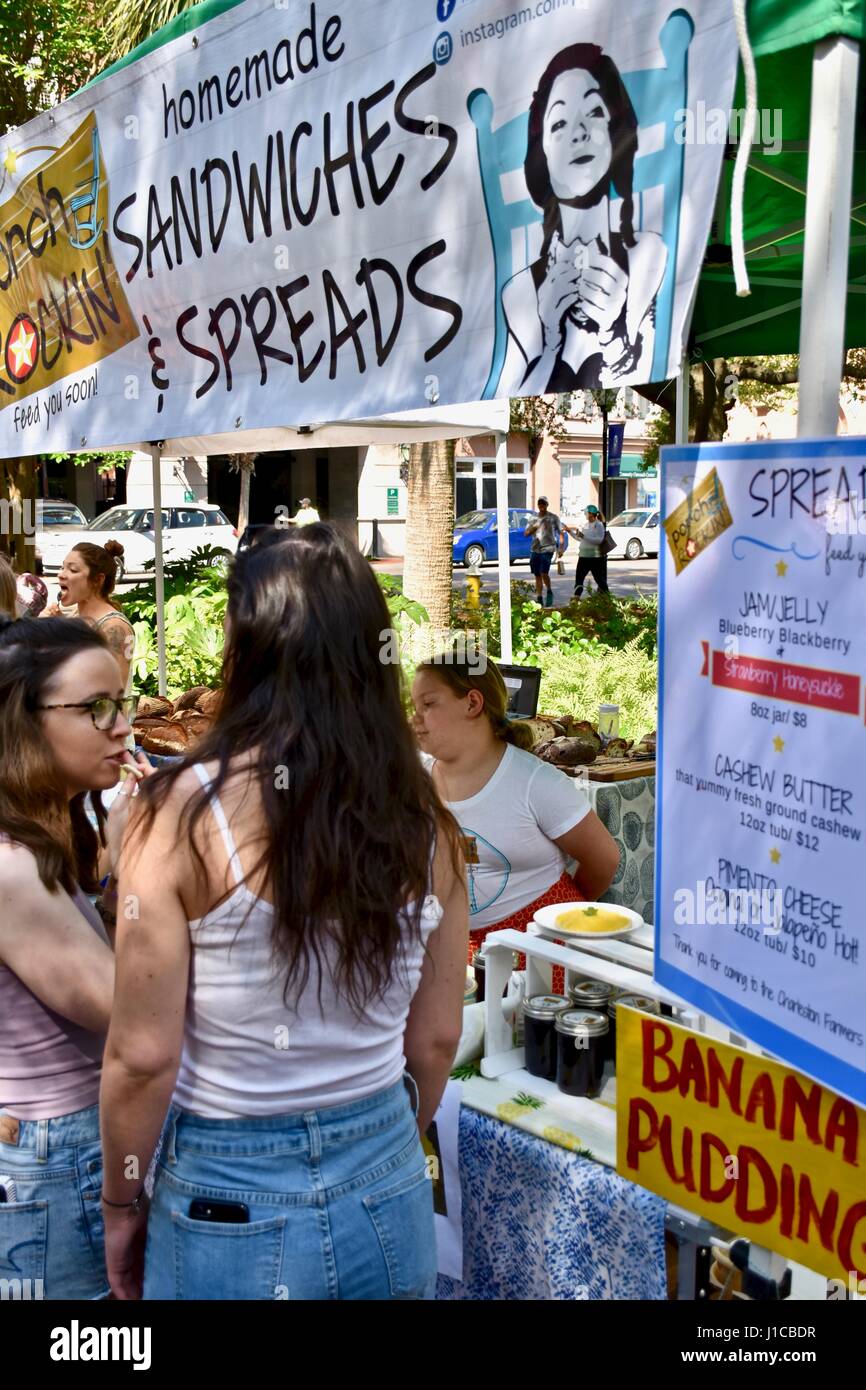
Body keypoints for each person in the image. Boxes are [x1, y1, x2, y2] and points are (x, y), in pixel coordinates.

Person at [99, 523, 468, 1301]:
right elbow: (435, 1038)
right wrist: (379, 1136)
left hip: (225, 1197)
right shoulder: (424, 822)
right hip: (389, 1183)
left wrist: (121, 1205)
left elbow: (142, 1058)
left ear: (246, 651)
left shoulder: (176, 816)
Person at [0, 617, 150, 1299]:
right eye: (96, 709)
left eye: (123, 701)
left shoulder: (50, 826)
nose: (123, 725)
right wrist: (141, 867)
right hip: (53, 1159)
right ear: (21, 722)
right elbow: (132, 1008)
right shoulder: (12, 866)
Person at [411, 653, 620, 966]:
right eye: (415, 708)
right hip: (452, 951)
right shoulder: (415, 779)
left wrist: (556, 914)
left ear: (472, 703)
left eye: (428, 705)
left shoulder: (534, 781)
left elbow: (604, 858)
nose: (416, 719)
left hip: (537, 948)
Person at [498, 44, 667, 394]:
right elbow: (507, 399)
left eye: (593, 112)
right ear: (540, 151)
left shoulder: (650, 255)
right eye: (559, 123)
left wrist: (614, 334)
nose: (578, 132)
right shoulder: (519, 293)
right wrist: (549, 340)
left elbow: (654, 366)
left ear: (614, 130)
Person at [43, 541, 135, 691]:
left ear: (98, 580)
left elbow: (114, 693)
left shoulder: (115, 627)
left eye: (72, 570)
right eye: (62, 567)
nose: (61, 574)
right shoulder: (73, 618)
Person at [524, 496, 566, 607]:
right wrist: (535, 526)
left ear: (547, 505)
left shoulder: (553, 517)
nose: (541, 506)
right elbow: (526, 533)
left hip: (548, 548)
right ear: (538, 505)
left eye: (543, 504)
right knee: (537, 574)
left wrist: (561, 548)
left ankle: (549, 590)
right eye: (540, 504)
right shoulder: (533, 518)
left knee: (544, 572)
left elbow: (561, 532)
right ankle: (539, 597)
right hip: (535, 548)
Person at [567, 504, 610, 598]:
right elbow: (580, 539)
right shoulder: (586, 525)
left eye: (586, 513)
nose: (585, 515)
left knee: (599, 579)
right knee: (579, 578)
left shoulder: (598, 525)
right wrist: (569, 531)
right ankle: (576, 597)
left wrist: (583, 536)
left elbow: (599, 540)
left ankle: (607, 597)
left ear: (591, 514)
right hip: (583, 556)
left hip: (594, 558)